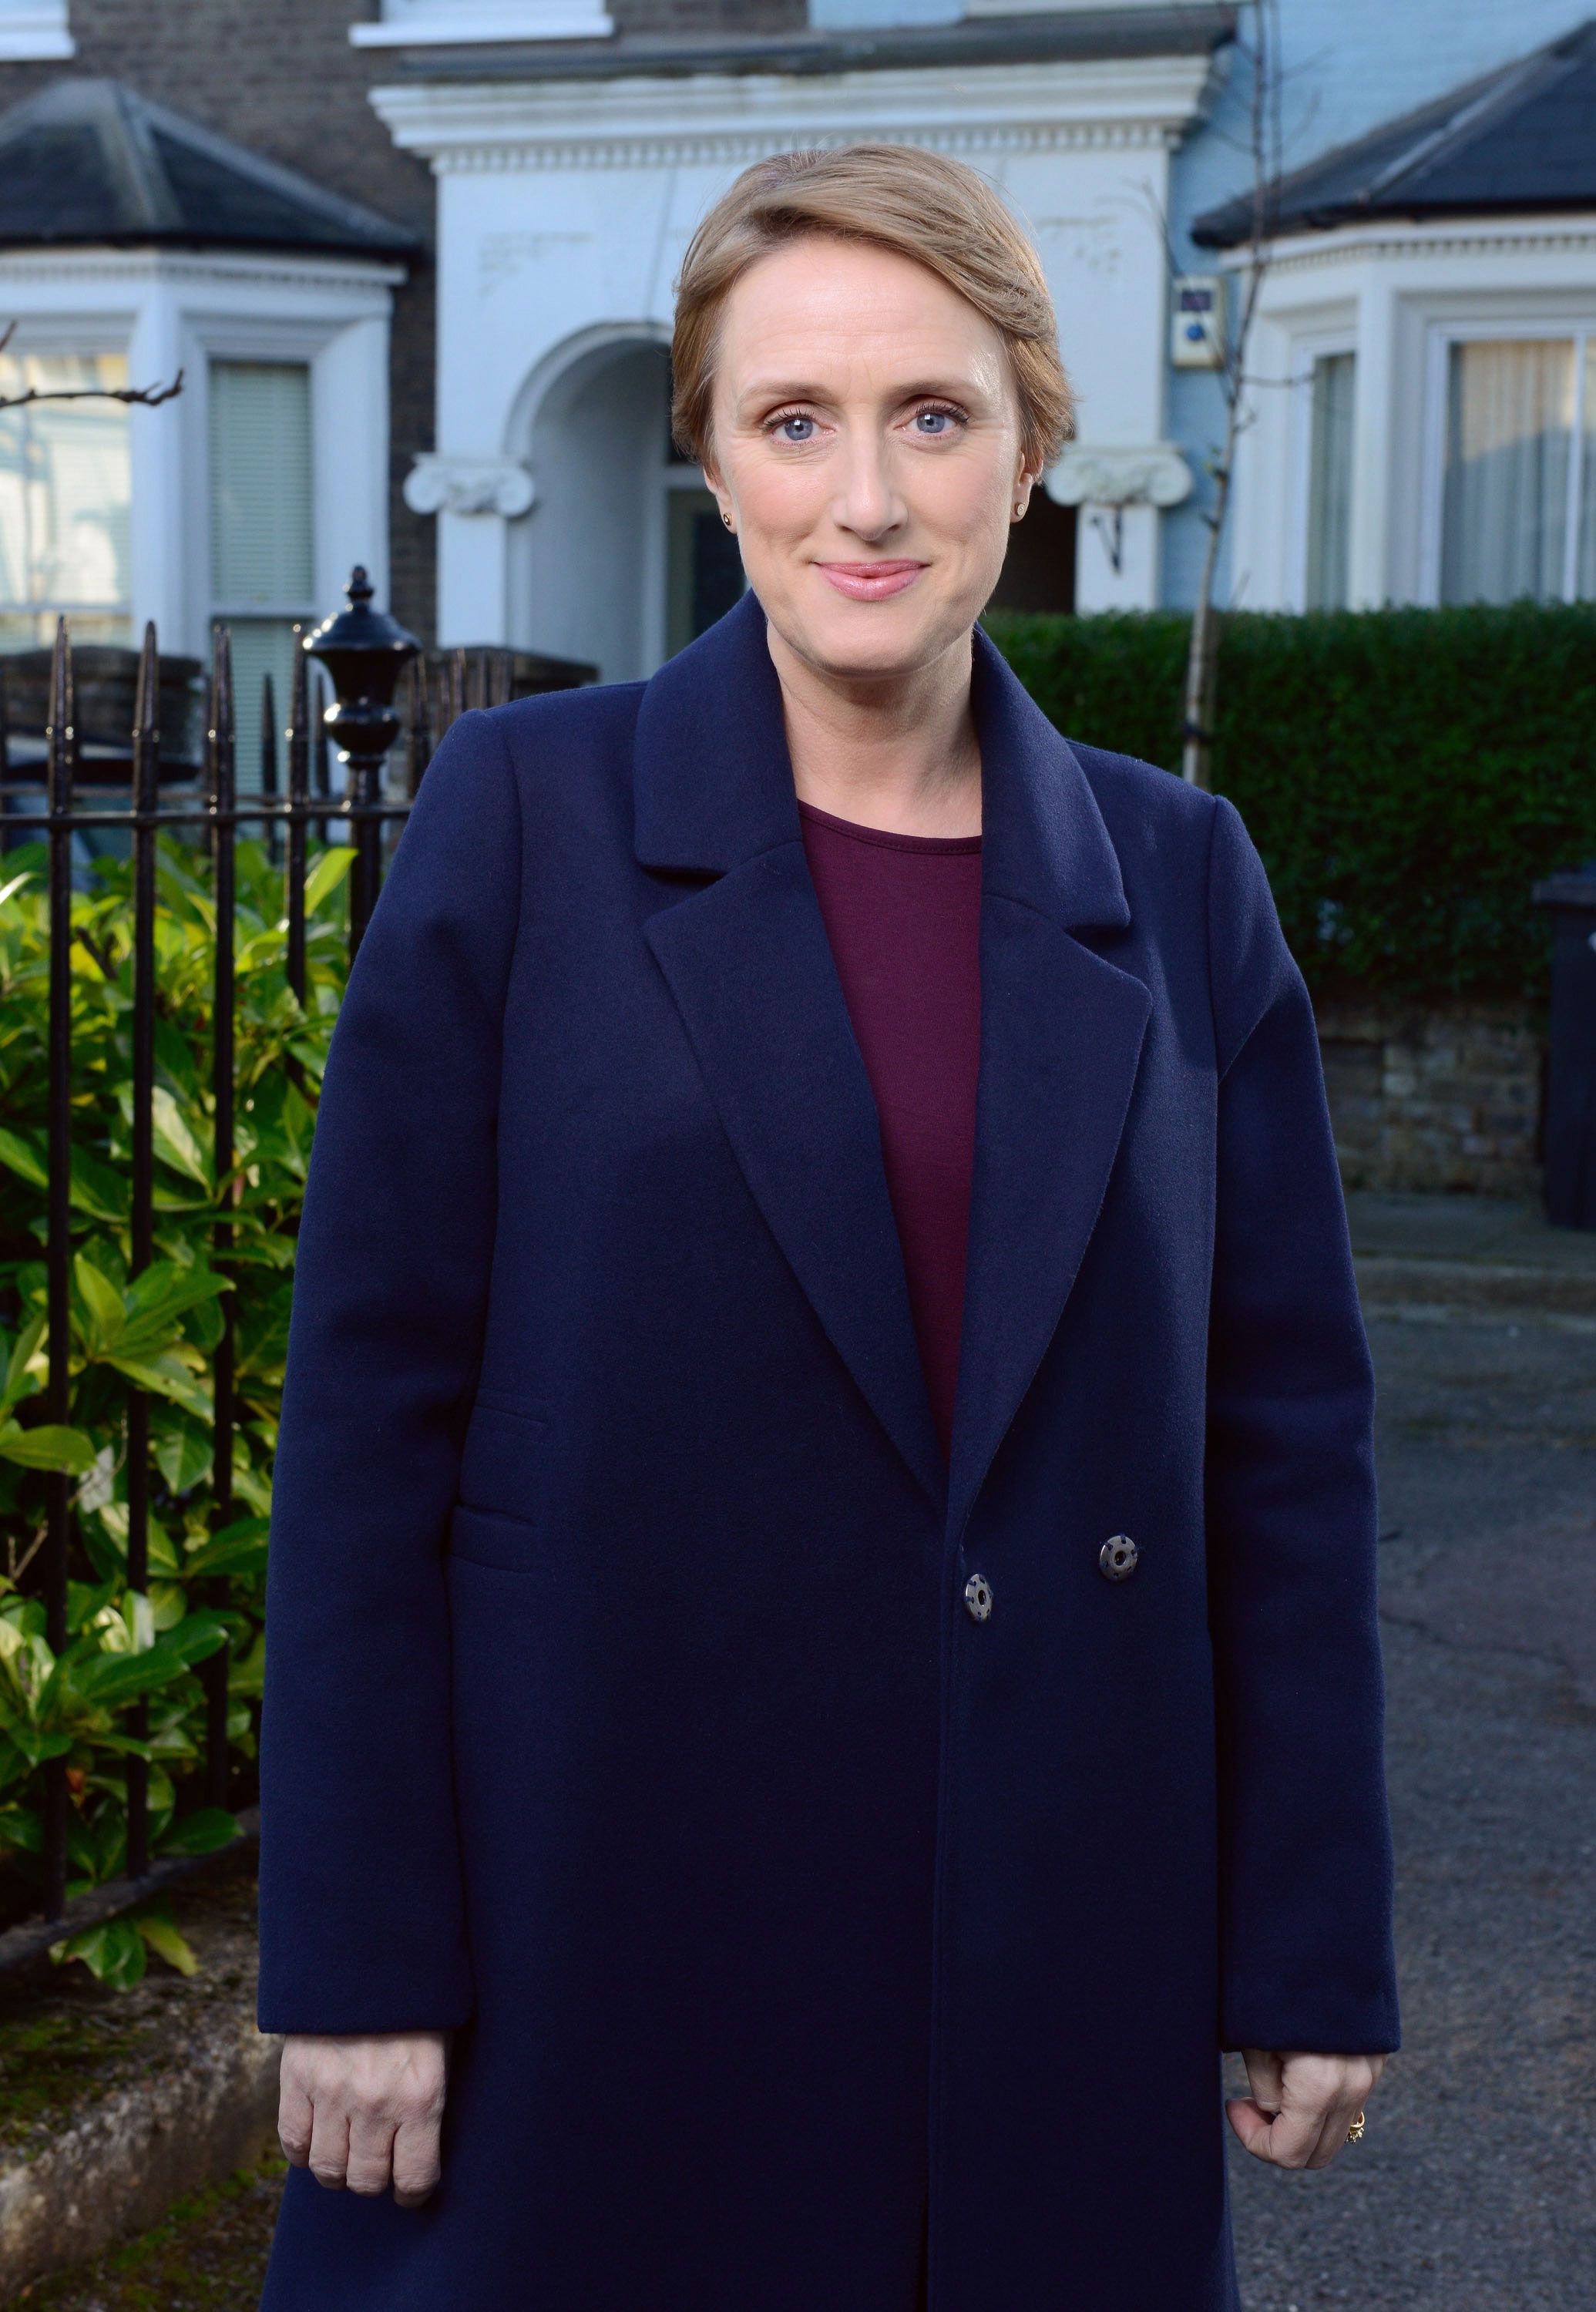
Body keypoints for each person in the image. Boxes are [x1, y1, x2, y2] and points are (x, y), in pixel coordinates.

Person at [256, 143, 1397, 2312]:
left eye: (931, 417)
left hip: (1050, 1936)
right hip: (595, 1917)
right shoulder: (524, 819)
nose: (864, 498)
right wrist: (359, 1946)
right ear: (708, 452)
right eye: (794, 421)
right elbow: (368, 1417)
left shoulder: (1183, 881)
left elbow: (1284, 1455)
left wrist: (1308, 1933)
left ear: (1032, 446)